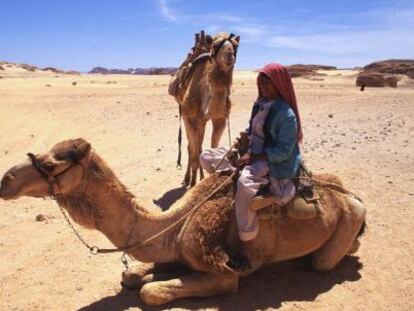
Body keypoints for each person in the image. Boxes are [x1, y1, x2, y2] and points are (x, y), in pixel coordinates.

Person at [200, 63, 302, 269]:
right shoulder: (261, 103)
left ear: (278, 84)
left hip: (271, 159)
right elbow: (253, 128)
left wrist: (255, 157)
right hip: (251, 151)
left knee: (246, 186)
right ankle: (232, 181)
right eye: (261, 81)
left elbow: (284, 150)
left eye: (267, 82)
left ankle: (245, 246)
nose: (263, 86)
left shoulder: (286, 115)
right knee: (206, 156)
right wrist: (244, 140)